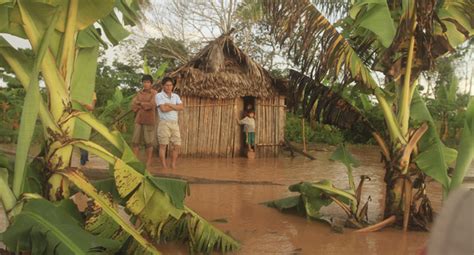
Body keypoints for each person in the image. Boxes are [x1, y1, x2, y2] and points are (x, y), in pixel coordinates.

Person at [155, 77, 184, 169]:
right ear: (163, 86)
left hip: (175, 124)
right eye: (167, 85)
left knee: (177, 145)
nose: (169, 87)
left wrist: (169, 104)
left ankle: (173, 164)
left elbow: (181, 107)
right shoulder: (159, 96)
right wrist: (176, 106)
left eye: (170, 85)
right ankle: (164, 166)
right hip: (164, 123)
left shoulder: (176, 96)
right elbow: (163, 109)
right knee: (163, 145)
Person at [131, 75, 157, 167]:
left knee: (148, 142)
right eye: (144, 82)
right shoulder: (139, 93)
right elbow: (133, 105)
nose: (146, 84)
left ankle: (149, 161)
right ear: (142, 83)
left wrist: (140, 103)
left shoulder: (154, 93)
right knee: (135, 140)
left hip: (149, 120)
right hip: (138, 119)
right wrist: (141, 104)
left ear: (151, 84)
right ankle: (135, 160)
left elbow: (152, 105)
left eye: (148, 82)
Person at [75, 92, 97, 166]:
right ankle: (85, 157)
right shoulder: (75, 91)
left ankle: (83, 159)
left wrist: (81, 103)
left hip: (86, 121)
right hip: (77, 120)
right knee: (79, 140)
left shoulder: (92, 93)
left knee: (83, 140)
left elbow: (91, 107)